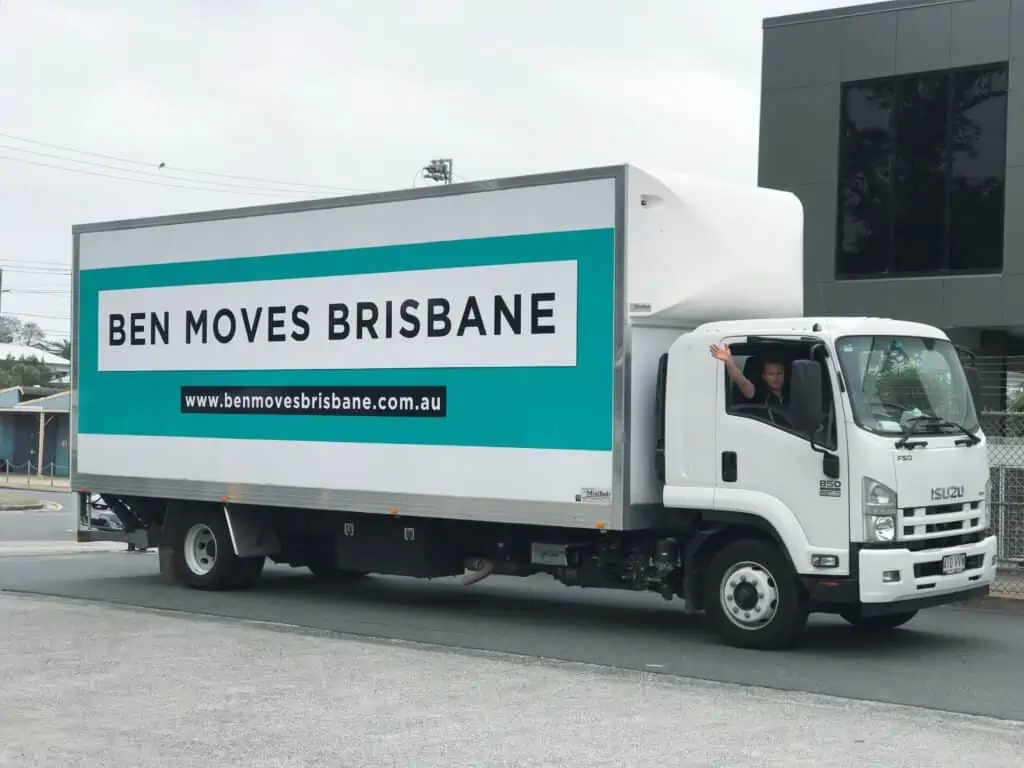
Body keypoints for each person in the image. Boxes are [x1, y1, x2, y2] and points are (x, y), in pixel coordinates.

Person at [709, 343, 787, 409]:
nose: (776, 378)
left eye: (779, 373)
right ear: (764, 376)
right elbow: (743, 383)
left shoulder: (792, 393)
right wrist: (729, 361)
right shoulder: (759, 393)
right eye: (771, 374)